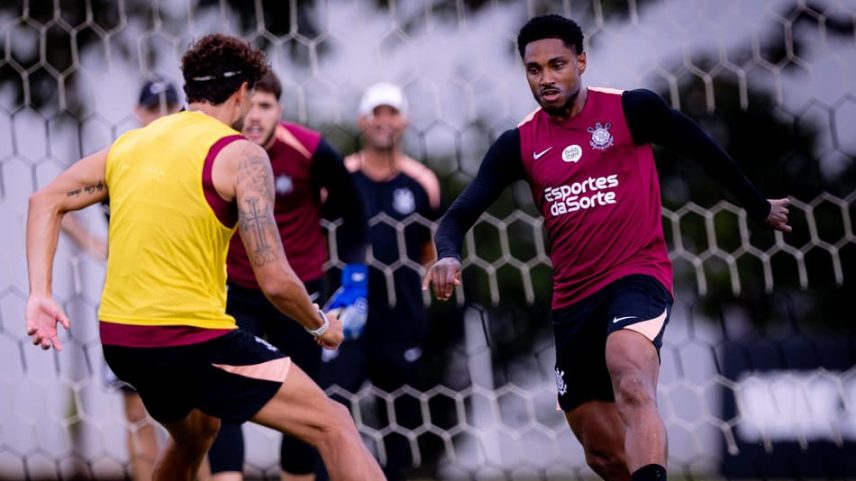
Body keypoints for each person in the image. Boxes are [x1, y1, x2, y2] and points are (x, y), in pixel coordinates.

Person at [422, 15, 791, 481]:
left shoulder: (631, 110)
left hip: (637, 277)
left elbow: (702, 148)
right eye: (534, 70)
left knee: (632, 378)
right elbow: (457, 215)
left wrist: (758, 206)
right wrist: (449, 253)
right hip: (573, 301)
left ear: (581, 60)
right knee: (601, 451)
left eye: (557, 65)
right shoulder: (519, 143)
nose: (546, 78)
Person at [25, 33, 386, 481]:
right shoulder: (242, 156)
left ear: (190, 91)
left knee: (197, 434)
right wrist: (319, 324)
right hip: (189, 339)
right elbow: (273, 278)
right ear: (241, 94)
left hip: (122, 342)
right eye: (251, 100)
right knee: (334, 424)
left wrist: (39, 293)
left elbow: (44, 200)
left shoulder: (133, 145)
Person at [206, 71, 370, 481]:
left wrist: (355, 279)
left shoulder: (311, 150)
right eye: (251, 105)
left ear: (280, 109)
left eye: (267, 106)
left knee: (309, 404)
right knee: (223, 393)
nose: (256, 117)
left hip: (302, 296)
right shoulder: (217, 151)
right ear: (236, 106)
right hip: (236, 294)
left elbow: (354, 210)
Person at [59, 78, 184, 481]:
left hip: (183, 297)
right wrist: (96, 243)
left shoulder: (191, 161)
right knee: (135, 410)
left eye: (169, 107)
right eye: (154, 108)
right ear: (138, 112)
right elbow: (56, 202)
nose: (161, 116)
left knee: (195, 415)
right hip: (127, 300)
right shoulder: (120, 162)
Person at [319, 82, 441, 481]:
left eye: (391, 113)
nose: (384, 121)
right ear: (362, 121)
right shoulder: (340, 179)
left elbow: (429, 250)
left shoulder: (422, 183)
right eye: (376, 113)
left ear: (404, 121)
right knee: (330, 414)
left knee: (401, 428)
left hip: (400, 320)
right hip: (345, 320)